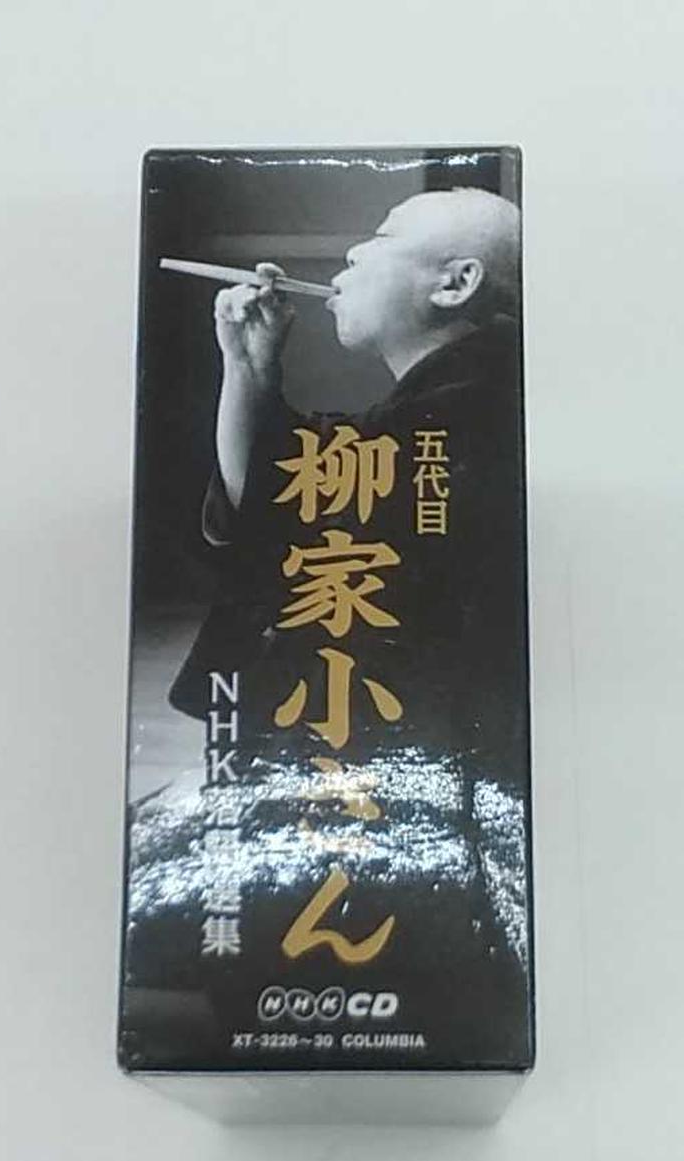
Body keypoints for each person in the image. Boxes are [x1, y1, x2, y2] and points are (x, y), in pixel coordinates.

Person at [170, 187, 529, 791]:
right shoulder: (467, 394)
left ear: (455, 283)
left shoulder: (470, 412)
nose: (354, 253)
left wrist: (250, 373)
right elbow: (283, 490)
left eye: (383, 237)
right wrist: (249, 367)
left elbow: (281, 505)